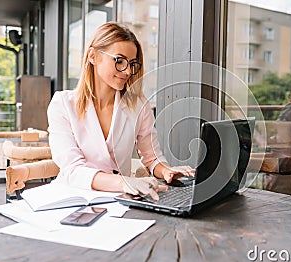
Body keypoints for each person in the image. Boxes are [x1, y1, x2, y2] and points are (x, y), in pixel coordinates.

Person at [47, 22, 195, 201]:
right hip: (71, 201)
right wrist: (123, 182)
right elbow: (72, 169)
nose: (127, 71)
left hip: (121, 202)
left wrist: (166, 170)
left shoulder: (139, 106)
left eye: (132, 64)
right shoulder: (62, 104)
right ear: (93, 56)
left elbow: (152, 157)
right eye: (119, 61)